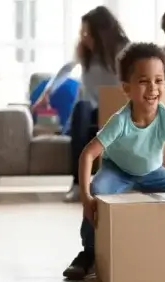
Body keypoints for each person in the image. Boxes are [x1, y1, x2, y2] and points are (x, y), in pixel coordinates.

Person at [62, 42, 165, 281]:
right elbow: (88, 154)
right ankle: (88, 252)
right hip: (117, 170)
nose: (152, 88)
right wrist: (86, 197)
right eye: (143, 81)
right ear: (126, 88)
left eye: (159, 80)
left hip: (153, 172)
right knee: (99, 191)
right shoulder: (119, 121)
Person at [31, 6, 130, 202]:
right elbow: (66, 69)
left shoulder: (123, 50)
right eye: (82, 32)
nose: (83, 37)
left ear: (101, 33)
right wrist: (47, 92)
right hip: (89, 113)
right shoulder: (85, 52)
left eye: (87, 32)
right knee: (81, 108)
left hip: (115, 111)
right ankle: (78, 185)